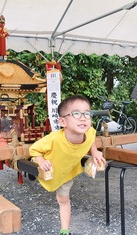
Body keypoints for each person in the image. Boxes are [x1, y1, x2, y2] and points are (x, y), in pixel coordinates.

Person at [29, 95, 106, 235]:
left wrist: (94, 152)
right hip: (49, 165)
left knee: (63, 200)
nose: (83, 118)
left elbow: (91, 137)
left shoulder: (88, 131)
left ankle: (65, 231)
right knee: (37, 164)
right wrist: (40, 161)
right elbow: (34, 149)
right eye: (76, 113)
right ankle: (32, 170)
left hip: (66, 173)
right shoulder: (54, 139)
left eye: (87, 114)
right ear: (62, 121)